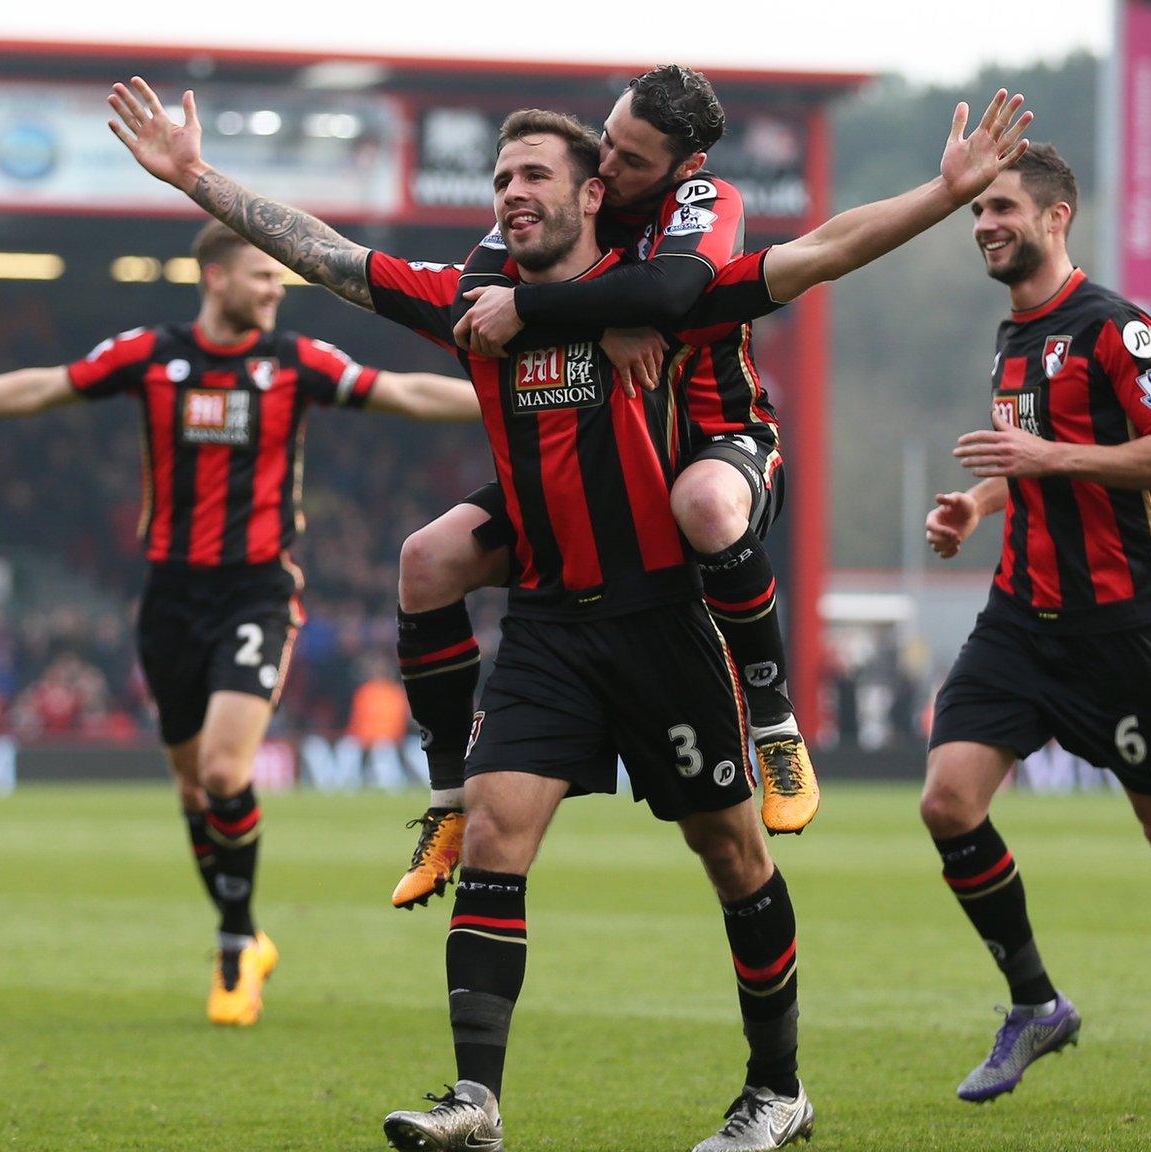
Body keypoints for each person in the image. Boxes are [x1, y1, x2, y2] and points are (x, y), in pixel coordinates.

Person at [106, 74, 1027, 1152]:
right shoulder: (471, 297)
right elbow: (325, 253)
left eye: (533, 174)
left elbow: (820, 250)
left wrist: (939, 190)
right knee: (495, 830)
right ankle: (473, 1100)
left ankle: (776, 1089)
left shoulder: (662, 299)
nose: (508, 192)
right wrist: (192, 177)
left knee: (732, 857)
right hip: (548, 620)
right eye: (499, 178)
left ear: (596, 194)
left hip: (666, 616)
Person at [0, 221, 480, 1027]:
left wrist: (514, 400)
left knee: (228, 774)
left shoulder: (293, 364)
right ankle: (244, 930)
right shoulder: (152, 357)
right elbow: (44, 385)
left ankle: (234, 946)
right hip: (168, 602)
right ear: (217, 277)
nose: (275, 289)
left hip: (258, 592)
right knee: (195, 790)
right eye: (263, 276)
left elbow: (402, 392)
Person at [390, 64, 814, 916]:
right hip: (584, 476)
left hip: (712, 438)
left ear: (681, 168)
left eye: (632, 157)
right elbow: (474, 289)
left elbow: (673, 288)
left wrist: (557, 310)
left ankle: (774, 722)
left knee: (702, 505)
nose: (612, 164)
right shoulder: (555, 211)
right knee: (427, 557)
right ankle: (446, 800)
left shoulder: (701, 210)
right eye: (609, 140)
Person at [922, 143, 1151, 1110]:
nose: (983, 223)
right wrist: (979, 501)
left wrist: (1044, 457)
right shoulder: (1012, 337)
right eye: (976, 211)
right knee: (947, 803)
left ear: (1056, 218)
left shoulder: (1117, 329)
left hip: (1122, 626)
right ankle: (1035, 1003)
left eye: (1001, 206)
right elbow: (1031, 461)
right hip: (1019, 620)